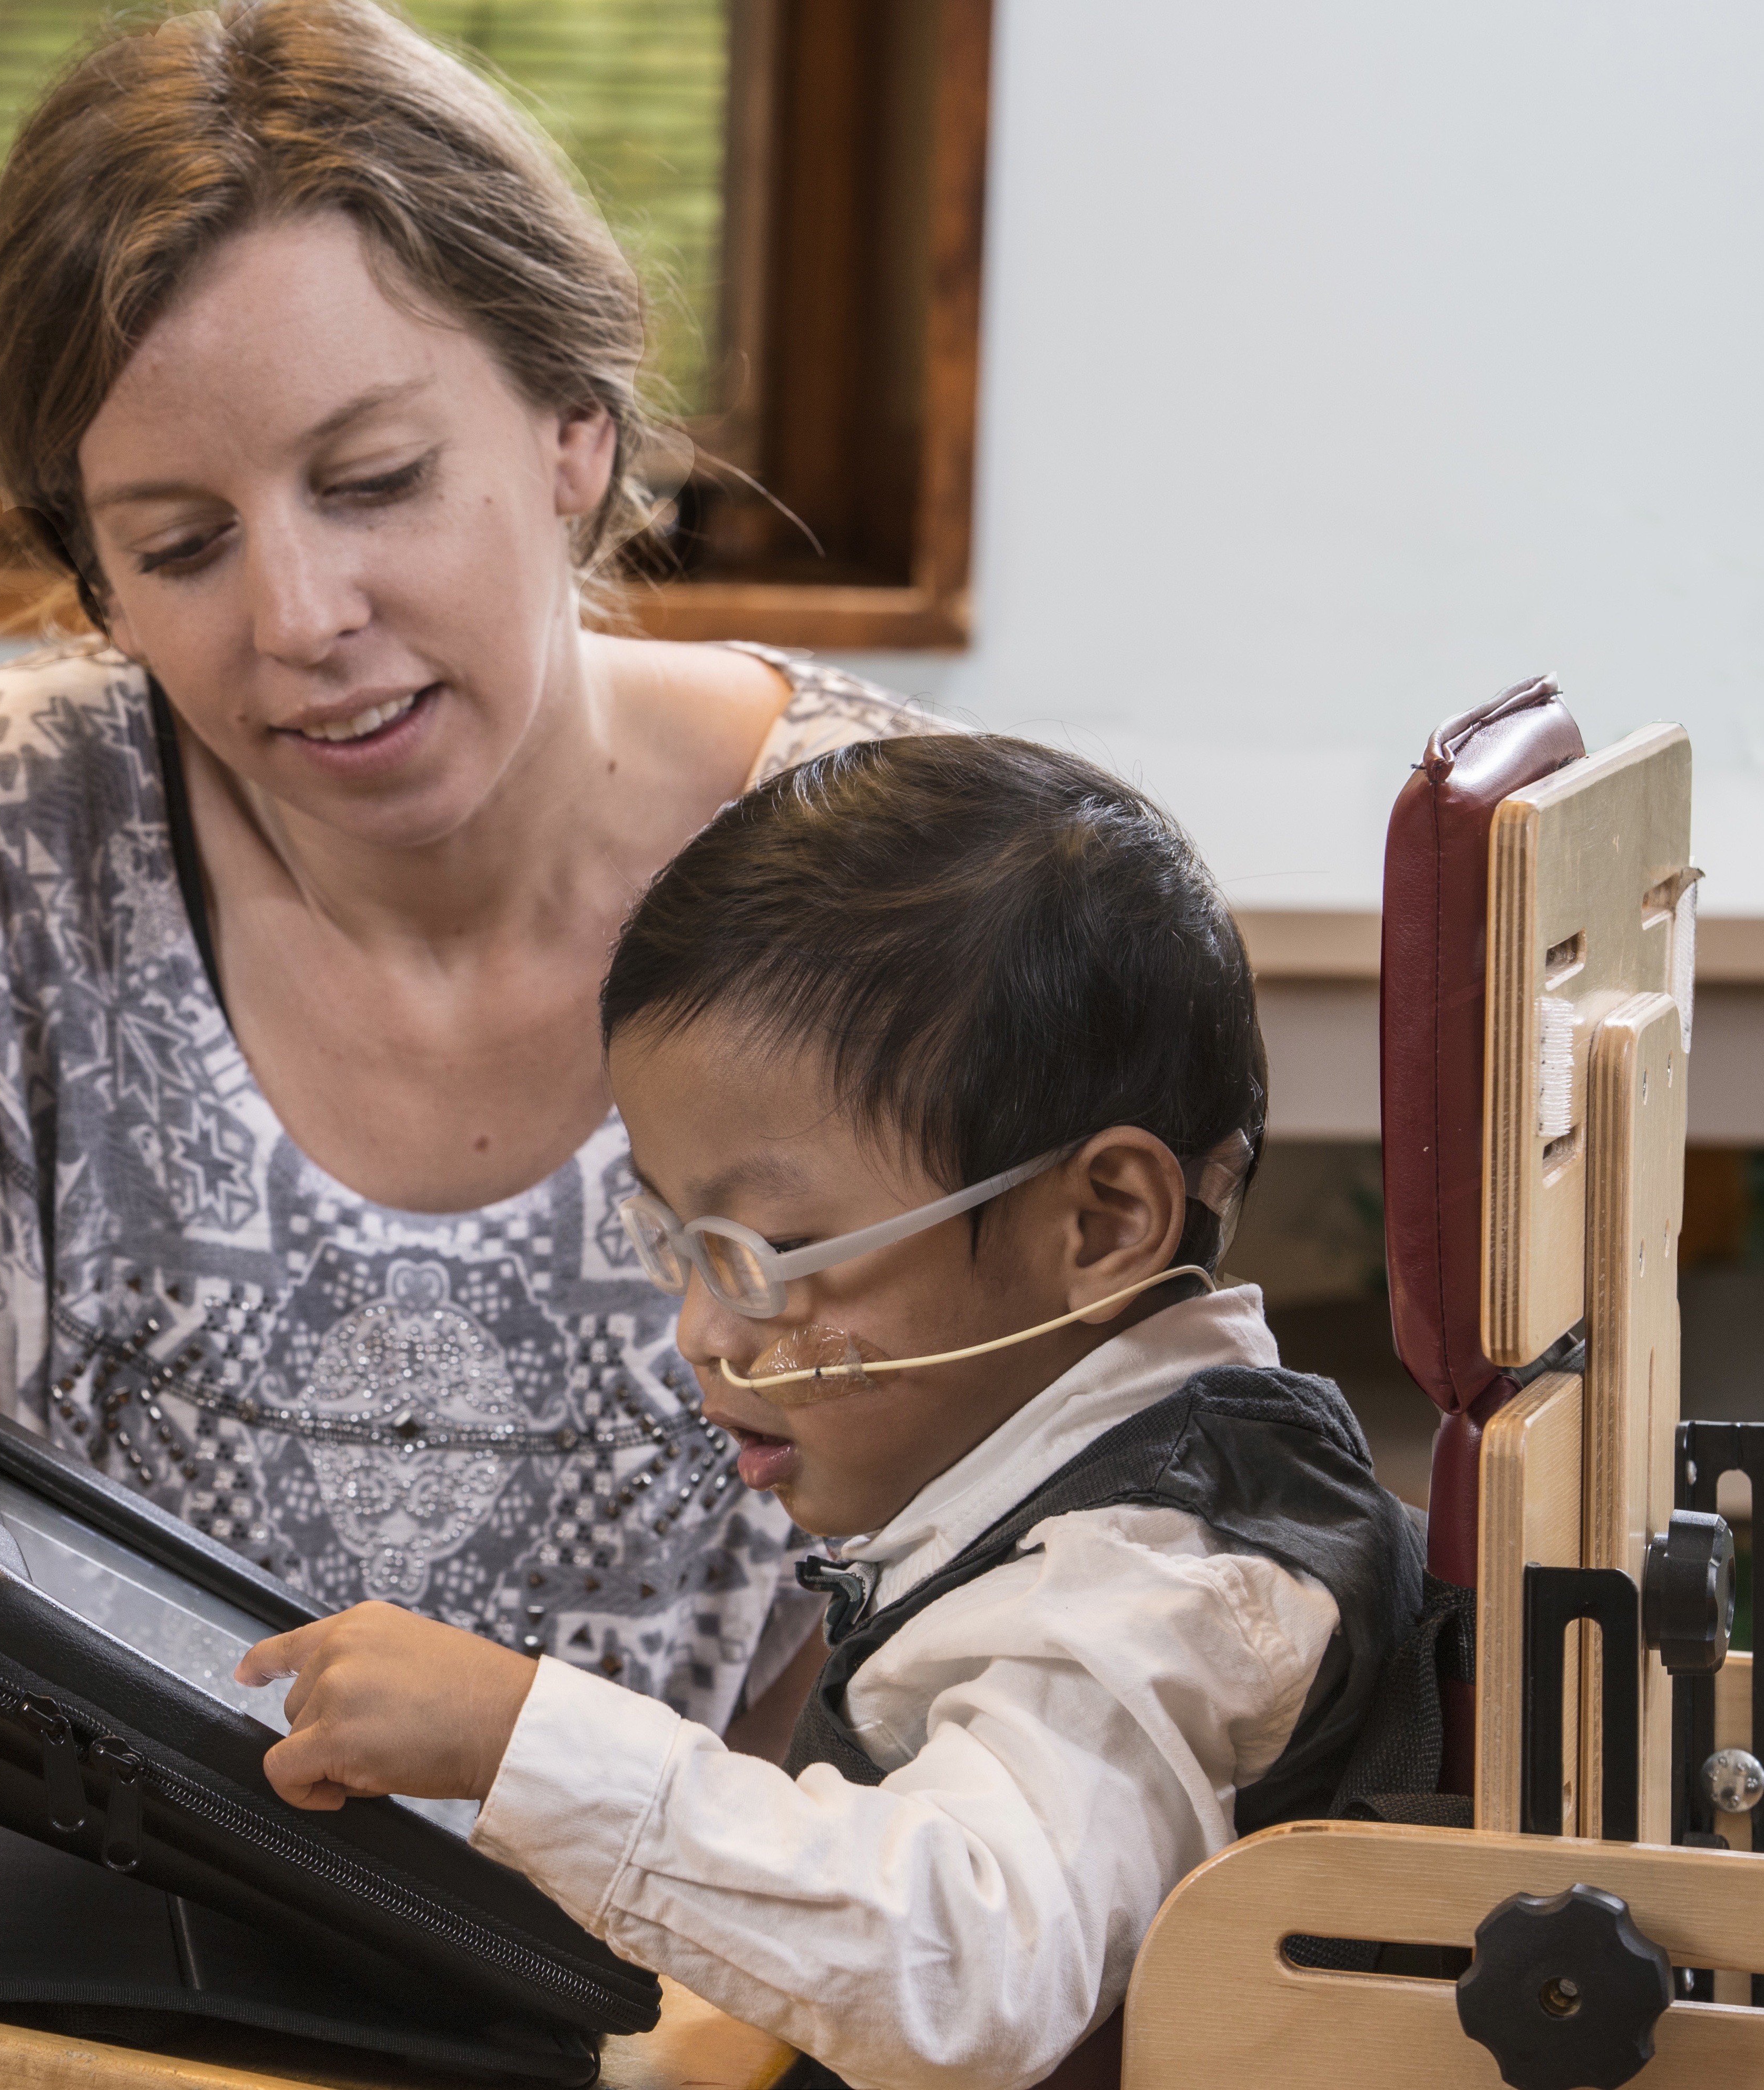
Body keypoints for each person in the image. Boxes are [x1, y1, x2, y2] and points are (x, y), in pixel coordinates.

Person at [0, 0, 928, 1751]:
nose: (299, 621)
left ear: (574, 430)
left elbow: (977, 1629)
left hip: (720, 1972)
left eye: (375, 480)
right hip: (113, 1942)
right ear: (93, 578)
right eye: (177, 546)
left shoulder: (901, 881)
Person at [232, 735, 1426, 2090]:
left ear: (1101, 1224)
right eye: (678, 1247)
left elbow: (971, 1971)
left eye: (767, 1257)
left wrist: (528, 1740)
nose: (701, 1333)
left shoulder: (1150, 1590)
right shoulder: (1119, 1486)